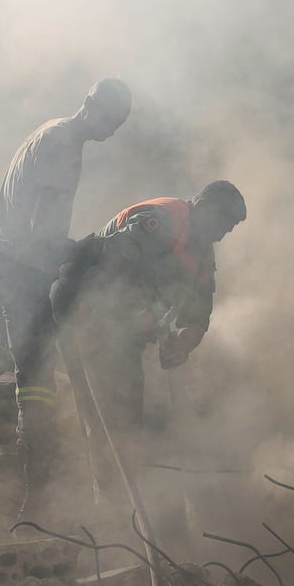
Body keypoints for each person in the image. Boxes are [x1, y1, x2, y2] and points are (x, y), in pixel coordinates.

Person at [0, 78, 132, 516]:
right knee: (37, 378)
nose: (110, 130)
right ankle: (39, 491)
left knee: (4, 346)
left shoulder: (52, 133)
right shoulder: (63, 146)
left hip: (1, 262)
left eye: (118, 124)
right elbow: (42, 231)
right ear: (89, 104)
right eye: (108, 118)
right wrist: (83, 249)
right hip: (15, 269)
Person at [52, 179, 247, 454]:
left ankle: (117, 486)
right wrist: (131, 316)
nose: (222, 236)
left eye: (229, 230)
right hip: (85, 315)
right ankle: (105, 490)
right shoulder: (164, 220)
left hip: (124, 336)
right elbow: (108, 272)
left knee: (127, 416)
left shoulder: (202, 256)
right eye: (222, 224)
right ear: (203, 207)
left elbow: (198, 315)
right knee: (106, 418)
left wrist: (183, 344)